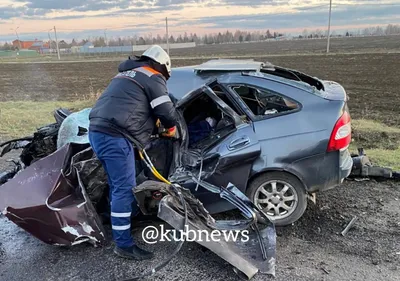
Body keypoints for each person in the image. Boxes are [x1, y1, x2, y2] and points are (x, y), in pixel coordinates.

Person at [88, 45, 178, 260]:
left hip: (98, 132)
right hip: (116, 137)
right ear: (162, 67)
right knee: (124, 189)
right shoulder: (153, 76)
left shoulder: (124, 75)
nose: (164, 79)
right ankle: (123, 244)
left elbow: (130, 106)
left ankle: (121, 224)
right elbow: (166, 112)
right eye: (165, 75)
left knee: (116, 185)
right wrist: (171, 129)